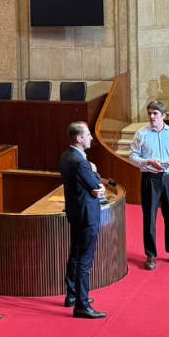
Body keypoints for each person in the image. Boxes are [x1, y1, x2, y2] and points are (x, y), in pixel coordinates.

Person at [129, 101, 169, 271]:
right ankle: (150, 254)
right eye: (149, 113)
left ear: (163, 115)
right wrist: (148, 161)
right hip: (150, 178)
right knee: (150, 218)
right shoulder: (141, 134)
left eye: (155, 113)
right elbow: (132, 157)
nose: (151, 117)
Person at [59, 121, 107, 318]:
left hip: (75, 213)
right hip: (87, 216)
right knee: (84, 261)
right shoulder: (81, 163)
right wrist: (94, 171)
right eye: (88, 135)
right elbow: (96, 185)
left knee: (75, 254)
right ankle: (82, 304)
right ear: (79, 139)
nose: (91, 138)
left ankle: (72, 294)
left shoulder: (65, 156)